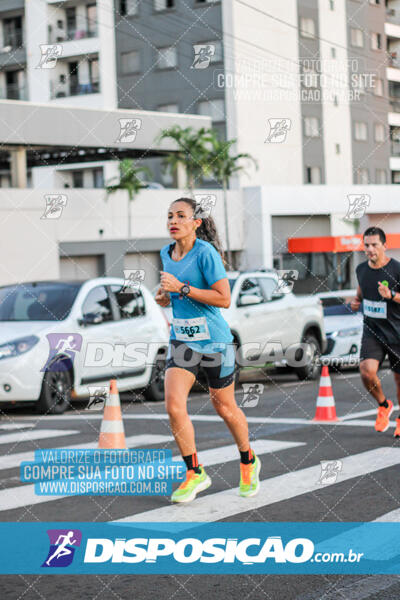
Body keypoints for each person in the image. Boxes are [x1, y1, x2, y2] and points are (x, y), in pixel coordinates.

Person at [155, 197, 261, 503]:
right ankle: (195, 473)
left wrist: (182, 289)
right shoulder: (167, 252)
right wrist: (166, 297)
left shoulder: (206, 253)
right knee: (174, 405)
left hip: (215, 341)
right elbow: (174, 292)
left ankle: (249, 461)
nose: (173, 220)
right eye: (170, 215)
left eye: (180, 215)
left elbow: (223, 298)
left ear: (196, 223)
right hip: (183, 339)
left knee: (224, 406)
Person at [351, 227, 400, 437]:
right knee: (366, 371)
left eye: (374, 245)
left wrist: (391, 295)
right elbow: (362, 288)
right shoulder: (361, 269)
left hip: (397, 332)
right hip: (373, 331)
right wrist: (356, 300)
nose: (369, 249)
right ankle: (383, 405)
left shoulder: (397, 269)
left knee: (399, 380)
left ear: (384, 246)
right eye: (366, 245)